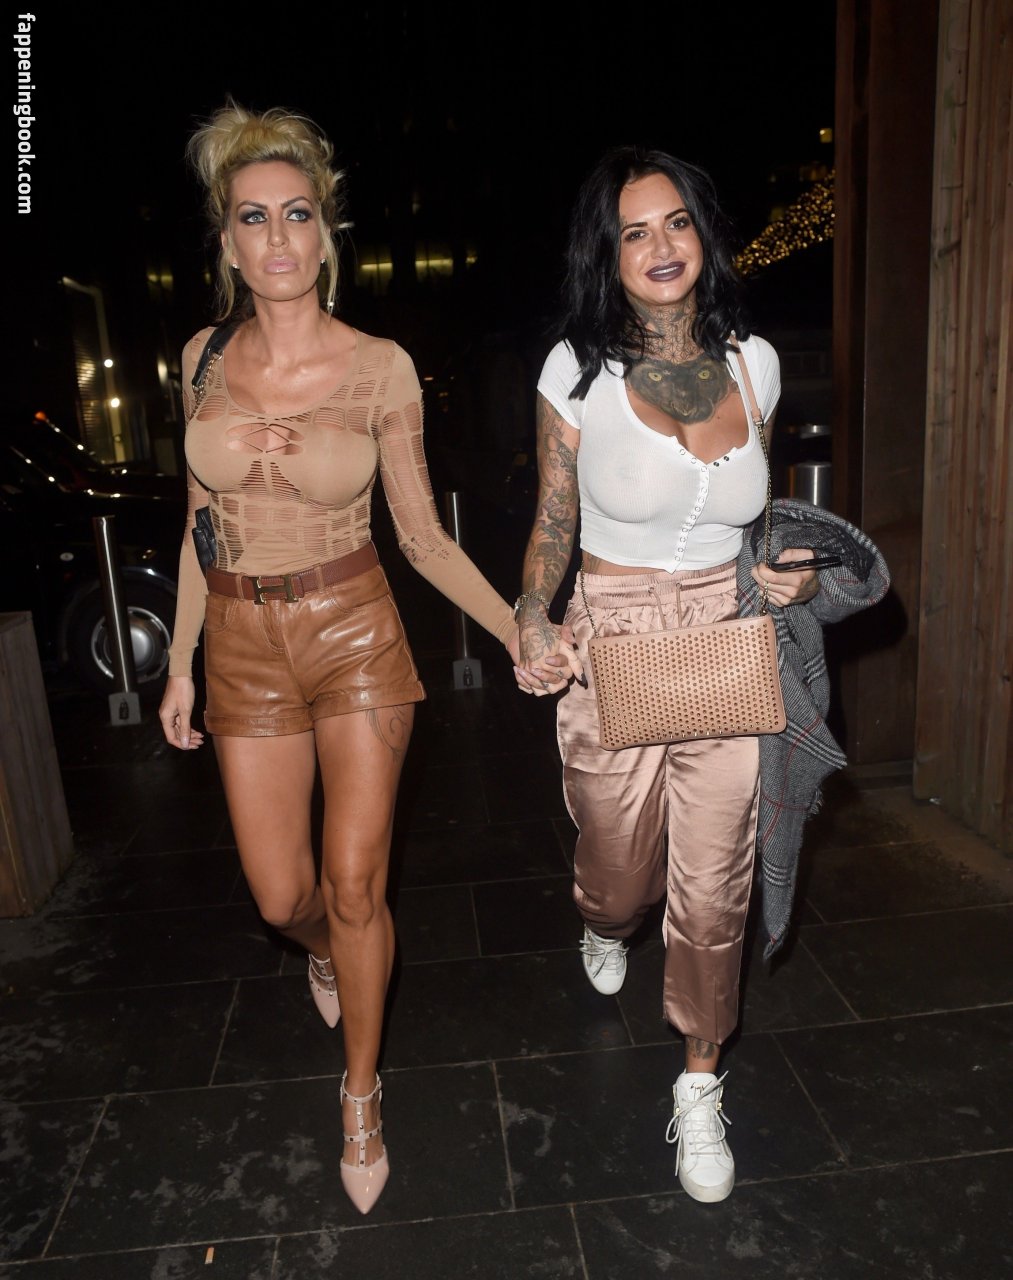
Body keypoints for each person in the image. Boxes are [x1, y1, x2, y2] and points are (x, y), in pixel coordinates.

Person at [158, 102, 541, 1215]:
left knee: (356, 882)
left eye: (296, 213)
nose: (276, 236)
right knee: (284, 895)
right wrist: (180, 661)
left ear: (325, 233)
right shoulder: (201, 357)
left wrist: (516, 624)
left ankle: (361, 1091)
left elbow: (421, 537)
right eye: (252, 217)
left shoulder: (379, 366)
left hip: (354, 634)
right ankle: (325, 949)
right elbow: (198, 523)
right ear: (227, 242)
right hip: (241, 643)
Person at [514, 145, 823, 1204]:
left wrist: (782, 571)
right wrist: (530, 613)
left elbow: (756, 517)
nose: (659, 246)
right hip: (613, 636)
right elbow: (553, 518)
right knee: (620, 875)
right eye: (634, 230)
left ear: (704, 235)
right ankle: (602, 923)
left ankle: (699, 1080)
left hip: (725, 638)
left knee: (713, 881)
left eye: (675, 222)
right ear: (607, 252)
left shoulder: (754, 363)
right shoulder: (574, 369)